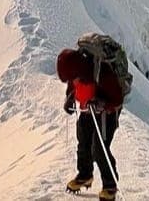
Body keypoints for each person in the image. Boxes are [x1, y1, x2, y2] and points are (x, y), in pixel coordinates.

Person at [56, 45, 127, 199]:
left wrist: (102, 102)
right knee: (83, 141)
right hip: (87, 109)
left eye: (73, 77)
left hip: (107, 113)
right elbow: (73, 86)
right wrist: (70, 99)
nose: (72, 80)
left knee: (99, 148)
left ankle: (110, 185)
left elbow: (117, 98)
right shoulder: (76, 71)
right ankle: (85, 175)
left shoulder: (102, 72)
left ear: (78, 71)